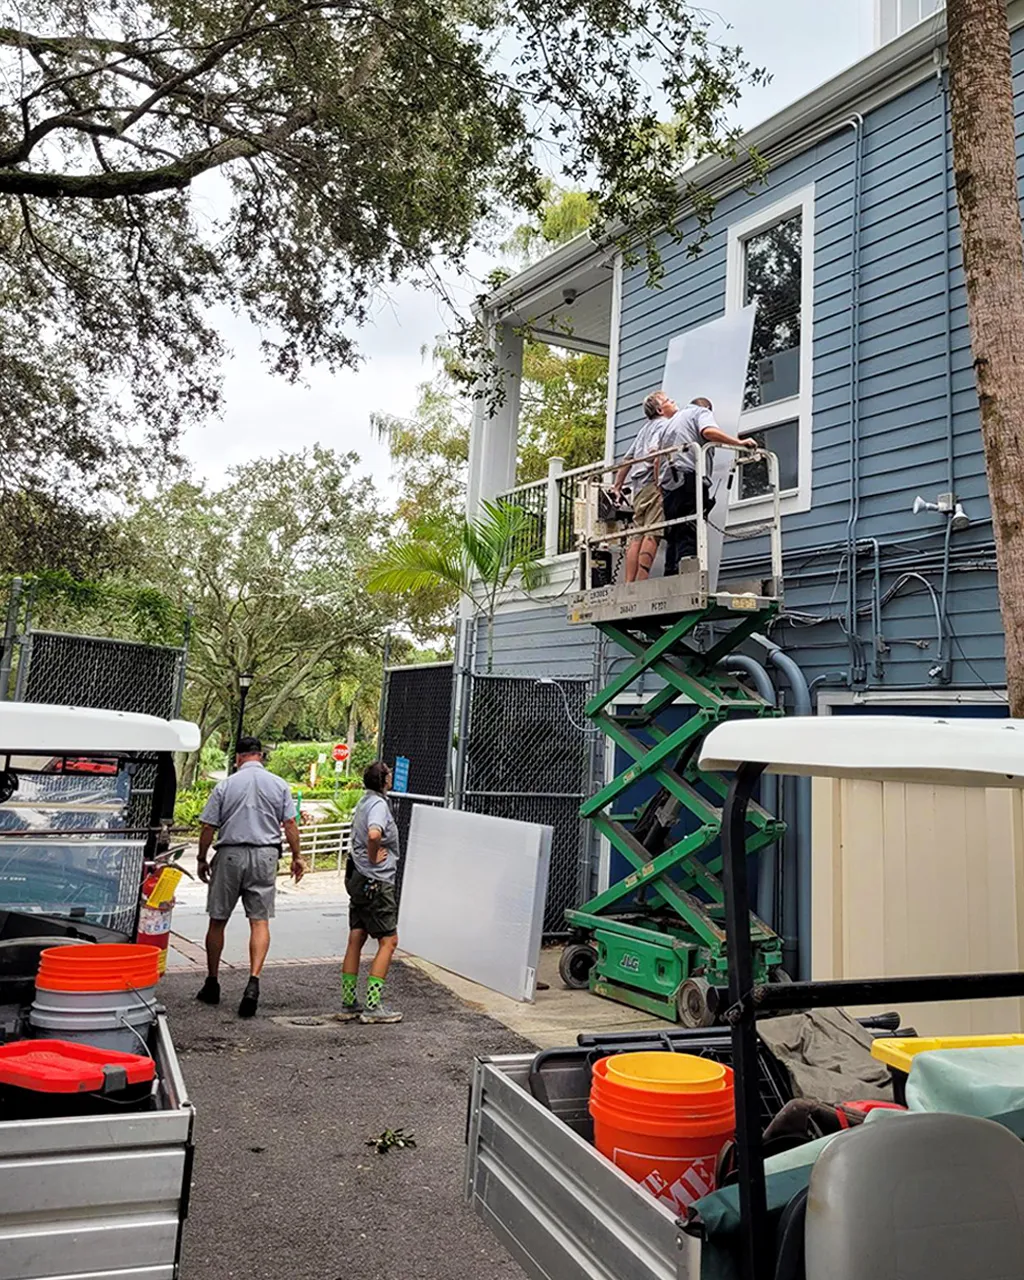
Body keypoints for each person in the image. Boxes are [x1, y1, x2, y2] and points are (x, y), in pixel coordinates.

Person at [195, 736, 304, 1018]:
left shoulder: (226, 785)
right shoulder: (279, 785)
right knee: (259, 921)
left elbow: (208, 826)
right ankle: (253, 981)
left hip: (230, 853)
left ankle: (212, 981)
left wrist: (201, 858)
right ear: (260, 756)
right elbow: (290, 823)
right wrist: (297, 856)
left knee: (218, 919)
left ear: (238, 758)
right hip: (266, 854)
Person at [659, 396, 756, 575]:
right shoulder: (701, 412)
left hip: (668, 485)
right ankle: (687, 575)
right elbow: (708, 432)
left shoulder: (669, 424)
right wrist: (738, 443)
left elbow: (658, 458)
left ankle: (671, 573)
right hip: (689, 478)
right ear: (708, 408)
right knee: (690, 528)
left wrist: (660, 486)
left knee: (674, 530)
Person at [338, 760, 403, 1025]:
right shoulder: (378, 805)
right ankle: (373, 1006)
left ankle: (348, 1002)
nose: (391, 778)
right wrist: (376, 856)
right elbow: (374, 834)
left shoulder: (364, 801)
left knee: (357, 935)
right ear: (384, 781)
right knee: (389, 940)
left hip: (358, 877)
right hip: (376, 880)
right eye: (388, 775)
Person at [610, 391, 678, 582]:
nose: (673, 401)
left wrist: (617, 487)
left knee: (637, 534)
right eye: (668, 400)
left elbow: (627, 459)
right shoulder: (665, 425)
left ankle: (629, 581)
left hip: (637, 487)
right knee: (653, 532)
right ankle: (641, 579)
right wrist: (659, 484)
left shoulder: (644, 430)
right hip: (651, 483)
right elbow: (656, 456)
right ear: (659, 409)